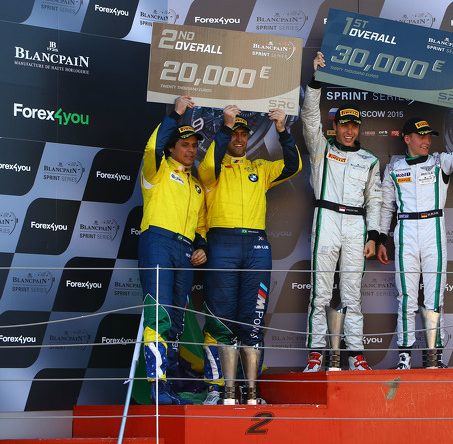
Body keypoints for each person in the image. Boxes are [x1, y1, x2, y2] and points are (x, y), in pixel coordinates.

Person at [199, 105, 301, 405]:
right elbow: (206, 169)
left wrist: (282, 130)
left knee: (252, 321)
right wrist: (225, 128)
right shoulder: (212, 170)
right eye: (235, 134)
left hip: (256, 245)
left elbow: (293, 166)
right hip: (222, 244)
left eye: (243, 134)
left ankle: (250, 391)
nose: (239, 139)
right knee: (220, 321)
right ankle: (217, 389)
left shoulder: (260, 168)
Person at [377, 108, 453, 369]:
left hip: (433, 229)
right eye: (420, 136)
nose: (426, 141)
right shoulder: (393, 168)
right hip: (405, 232)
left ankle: (434, 358)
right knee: (406, 298)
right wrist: (379, 239)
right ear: (406, 138)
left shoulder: (439, 162)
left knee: (435, 298)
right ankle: (404, 358)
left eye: (429, 137)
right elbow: (386, 207)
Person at [301, 52, 382, 372]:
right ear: (334, 126)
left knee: (352, 294)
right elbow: (309, 117)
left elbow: (374, 200)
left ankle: (356, 355)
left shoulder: (370, 159)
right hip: (326, 219)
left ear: (359, 128)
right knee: (320, 291)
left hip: (356, 224)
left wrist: (373, 235)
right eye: (344, 125)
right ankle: (316, 355)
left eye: (354, 126)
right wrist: (316, 81)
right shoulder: (322, 149)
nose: (349, 131)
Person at [138, 95, 207, 405]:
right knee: (160, 314)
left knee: (177, 320)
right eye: (185, 145)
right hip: (158, 243)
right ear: (171, 148)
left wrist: (202, 246)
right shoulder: (157, 171)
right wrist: (175, 114)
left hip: (184, 251)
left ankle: (172, 382)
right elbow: (152, 147)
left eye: (194, 145)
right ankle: (156, 387)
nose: (191, 150)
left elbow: (201, 225)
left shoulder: (196, 185)